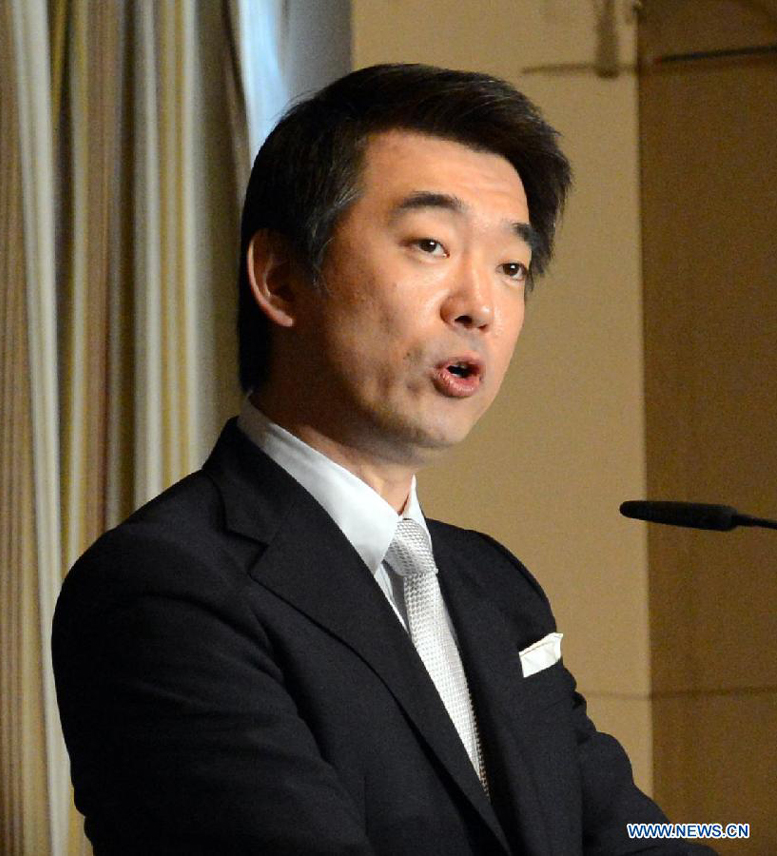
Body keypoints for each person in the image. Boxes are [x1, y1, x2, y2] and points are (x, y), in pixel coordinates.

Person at [53, 64, 715, 855]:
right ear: (281, 279)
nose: (480, 305)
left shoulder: (494, 590)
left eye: (511, 266)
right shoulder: (167, 589)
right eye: (431, 244)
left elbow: (627, 830)